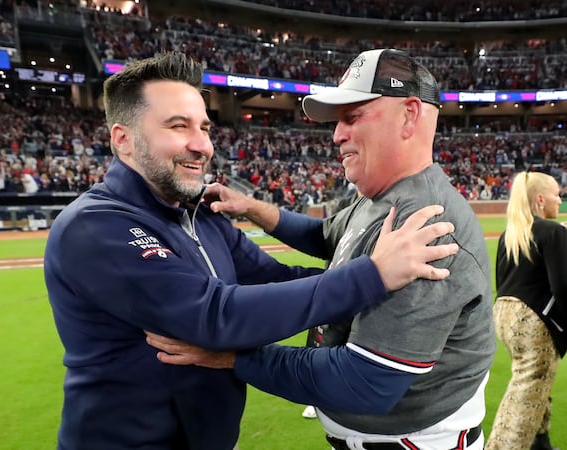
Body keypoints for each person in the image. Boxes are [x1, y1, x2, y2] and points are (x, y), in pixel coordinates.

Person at [43, 51, 459, 450]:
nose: (201, 145)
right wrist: (372, 274)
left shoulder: (199, 213)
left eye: (204, 128)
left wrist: (390, 283)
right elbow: (215, 316)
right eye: (177, 126)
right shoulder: (94, 226)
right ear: (124, 140)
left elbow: (274, 277)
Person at [145, 48, 496, 449]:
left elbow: (364, 382)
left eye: (353, 117)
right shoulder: (384, 195)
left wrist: (230, 357)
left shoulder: (426, 223)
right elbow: (329, 236)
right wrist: (254, 209)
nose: (337, 134)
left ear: (409, 115)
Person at [486, 171, 567, 450]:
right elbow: (563, 286)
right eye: (557, 194)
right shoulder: (553, 232)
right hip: (533, 321)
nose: (560, 199)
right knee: (528, 393)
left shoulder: (510, 234)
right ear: (541, 200)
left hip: (506, 317)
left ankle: (540, 444)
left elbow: (502, 282)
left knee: (534, 386)